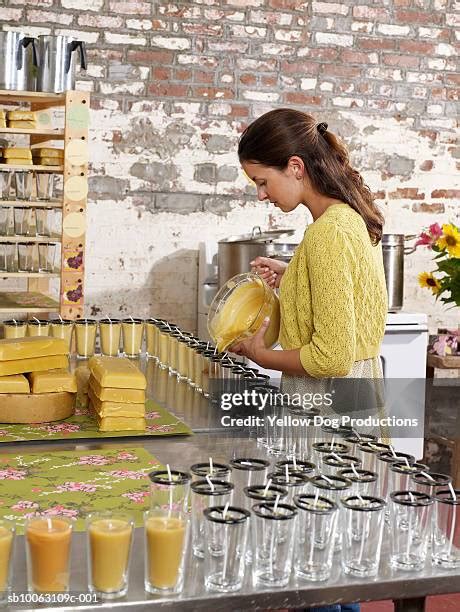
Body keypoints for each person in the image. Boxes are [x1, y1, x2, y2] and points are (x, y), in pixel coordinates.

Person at [231, 109, 388, 612]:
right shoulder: (340, 220)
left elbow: (333, 354)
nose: (261, 195)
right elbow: (334, 306)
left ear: (295, 166)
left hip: (329, 407)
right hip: (353, 403)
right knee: (336, 554)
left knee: (314, 555)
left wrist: (261, 354)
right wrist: (293, 274)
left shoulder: (327, 233)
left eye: (262, 181)